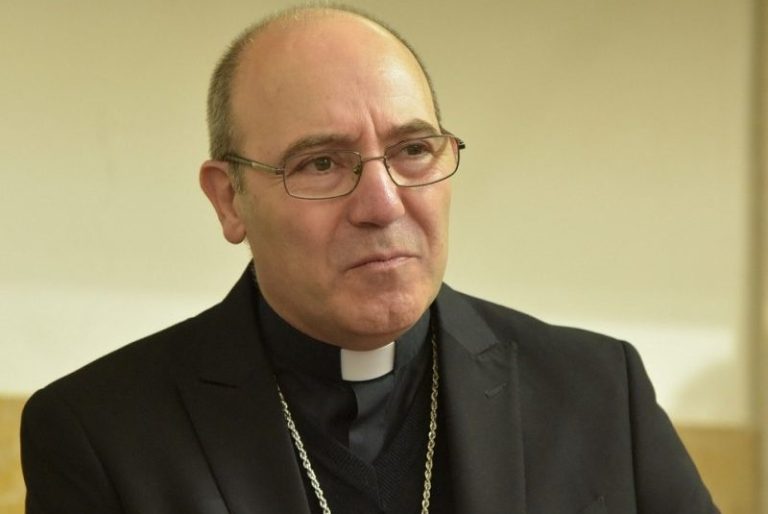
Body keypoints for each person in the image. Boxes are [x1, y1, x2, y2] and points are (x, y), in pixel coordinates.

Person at [20, 6, 719, 514]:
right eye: (322, 163)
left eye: (413, 150)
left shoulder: (597, 392)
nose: (383, 205)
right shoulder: (101, 433)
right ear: (229, 199)